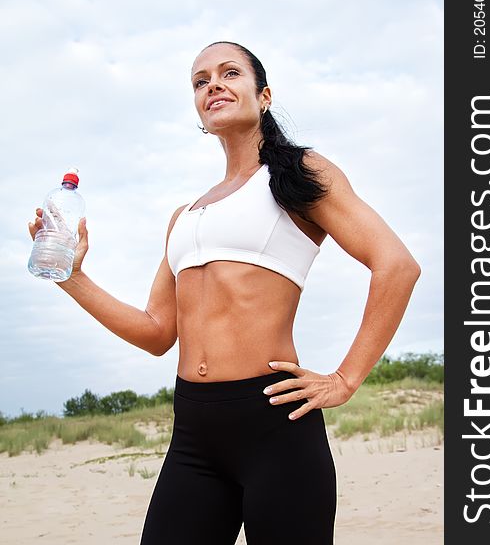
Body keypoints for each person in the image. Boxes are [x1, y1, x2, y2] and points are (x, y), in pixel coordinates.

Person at [28, 41, 421, 545]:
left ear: (264, 95)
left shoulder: (299, 175)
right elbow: (156, 333)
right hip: (194, 434)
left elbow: (397, 266)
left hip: (275, 426)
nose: (212, 84)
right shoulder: (185, 215)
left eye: (229, 73)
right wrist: (72, 277)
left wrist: (345, 379)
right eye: (200, 80)